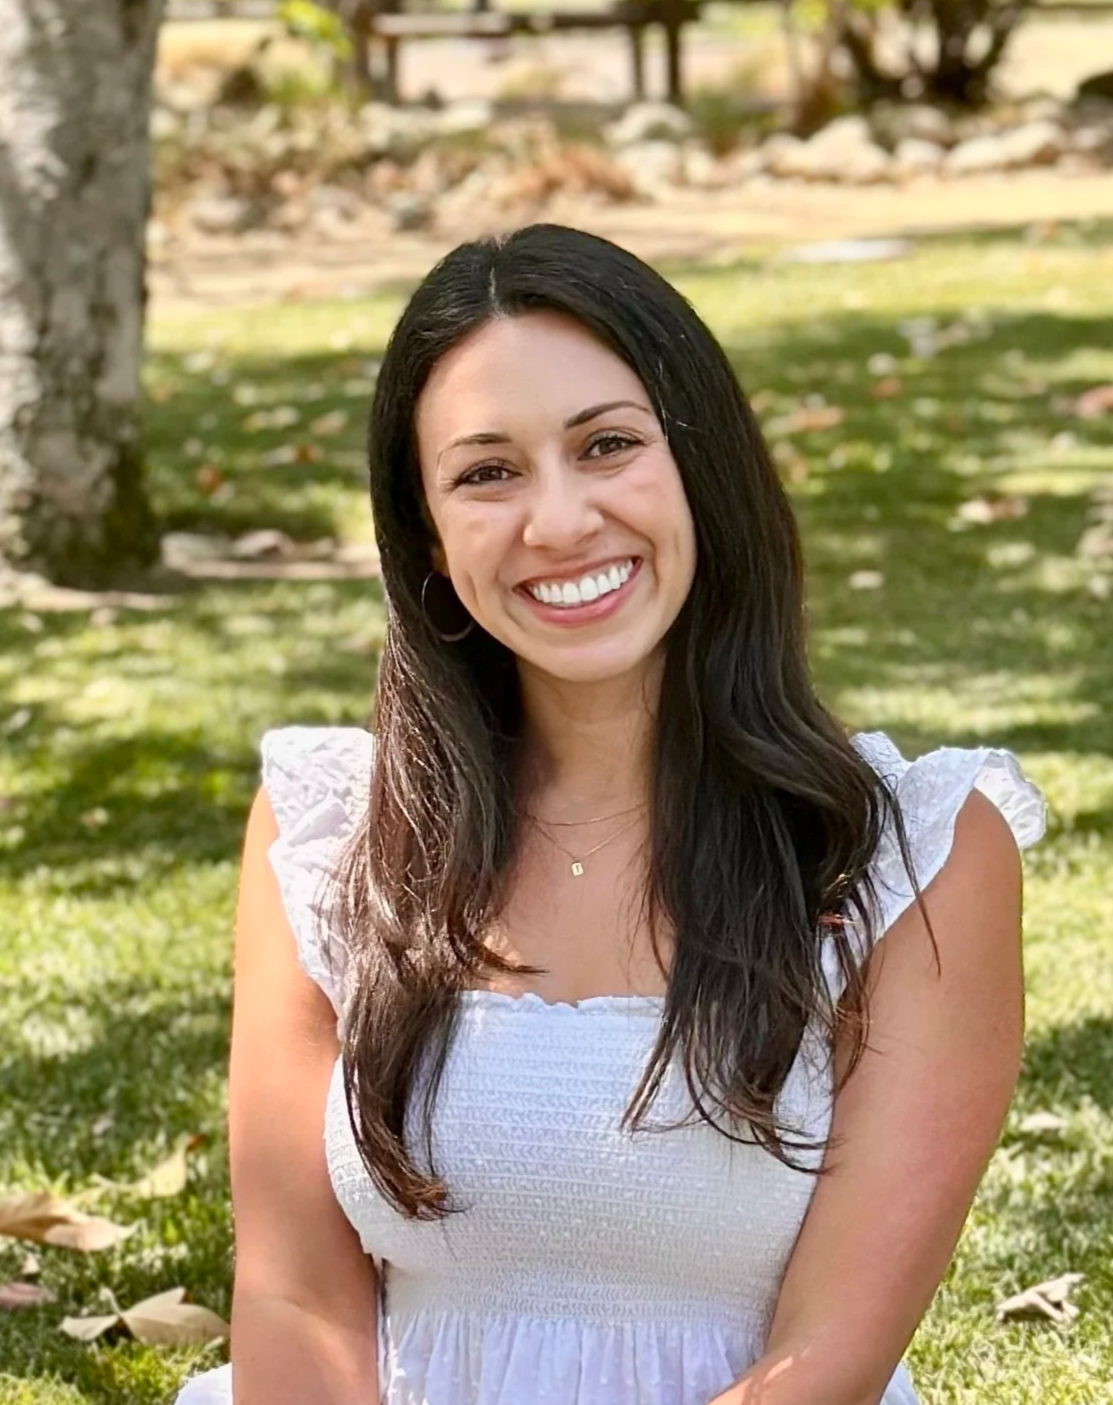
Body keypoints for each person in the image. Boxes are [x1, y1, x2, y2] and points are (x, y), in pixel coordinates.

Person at [175, 224, 1047, 1405]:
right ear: (428, 539)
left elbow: (825, 1361)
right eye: (488, 471)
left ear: (704, 465)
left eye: (608, 445)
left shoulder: (922, 853)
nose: (560, 522)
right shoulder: (333, 832)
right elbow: (294, 1301)